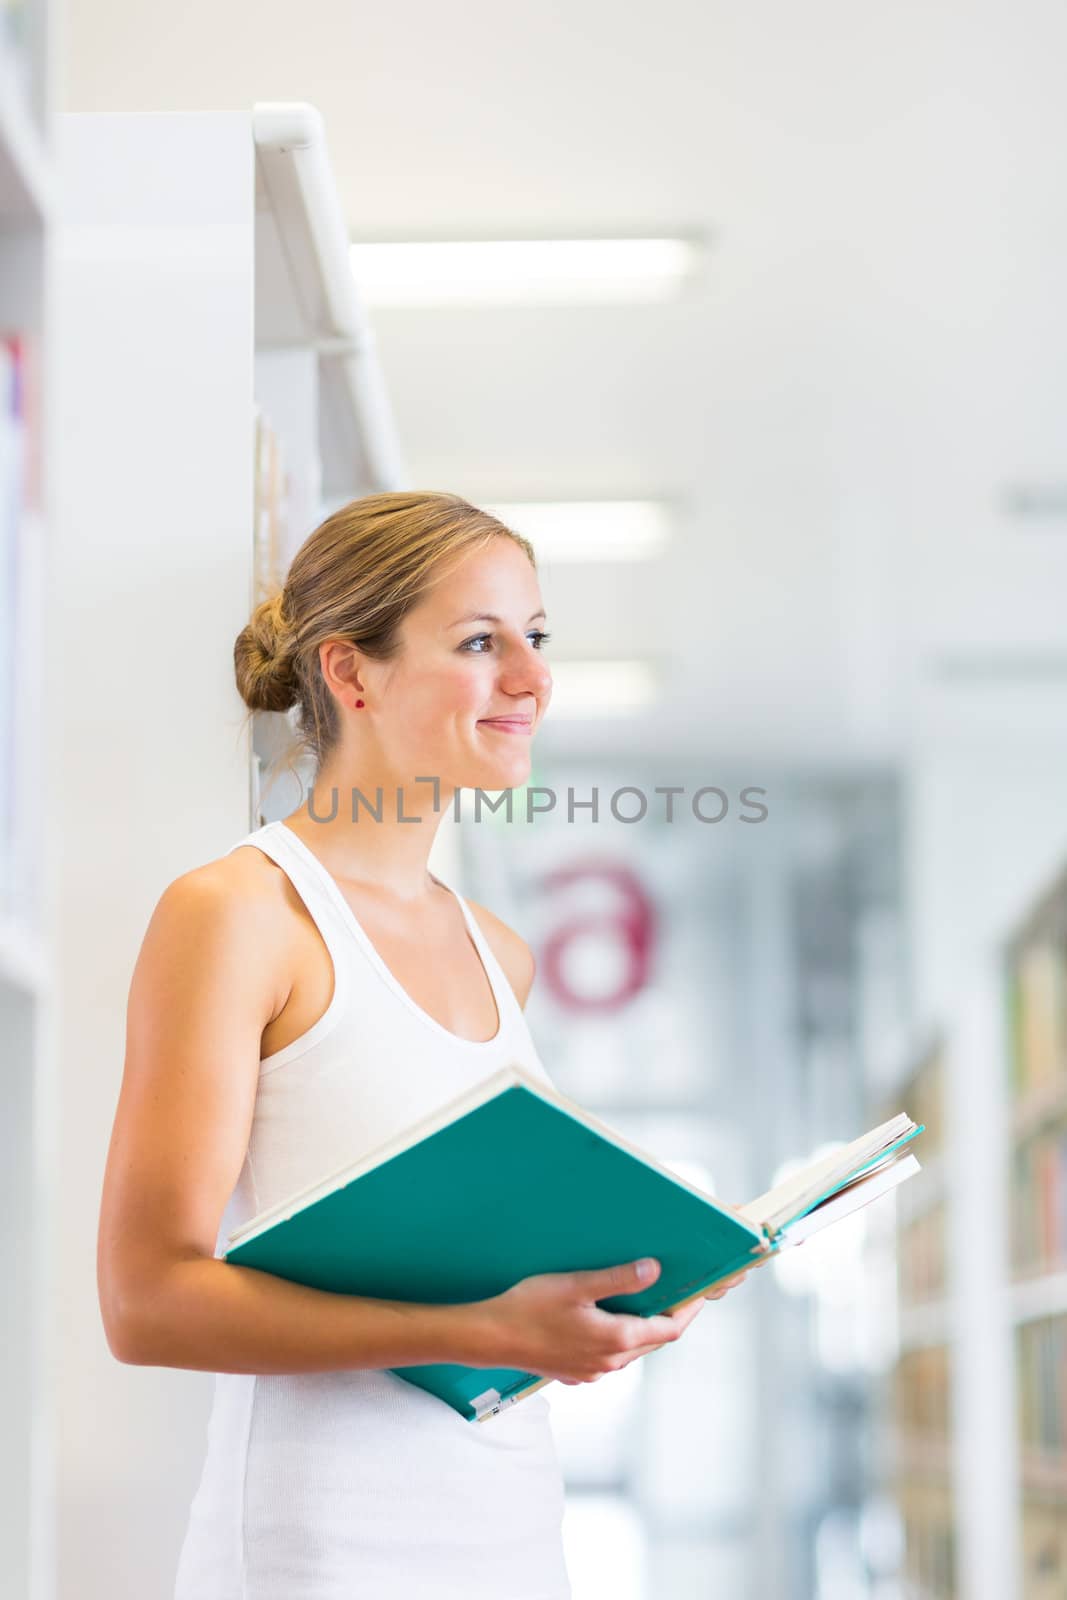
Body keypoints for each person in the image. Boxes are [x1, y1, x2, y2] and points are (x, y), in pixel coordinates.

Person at [97, 491, 754, 1600]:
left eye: (535, 640)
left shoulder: (500, 952)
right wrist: (482, 1327)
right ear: (352, 675)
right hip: (319, 1548)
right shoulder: (239, 916)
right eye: (479, 642)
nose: (531, 680)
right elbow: (146, 1298)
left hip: (506, 1531)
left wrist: (617, 1295)